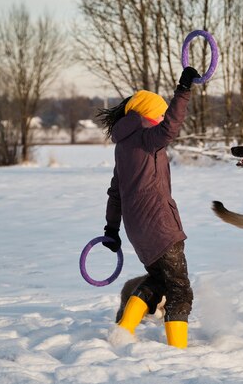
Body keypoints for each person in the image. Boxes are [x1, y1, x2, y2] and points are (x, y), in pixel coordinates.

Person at [98, 67, 200, 349]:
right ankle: (177, 349)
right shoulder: (146, 135)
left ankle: (124, 330)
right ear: (146, 114)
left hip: (137, 230)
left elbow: (115, 192)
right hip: (159, 226)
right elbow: (170, 127)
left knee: (158, 279)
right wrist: (183, 89)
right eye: (159, 112)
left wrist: (111, 228)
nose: (161, 117)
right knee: (180, 289)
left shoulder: (123, 145)